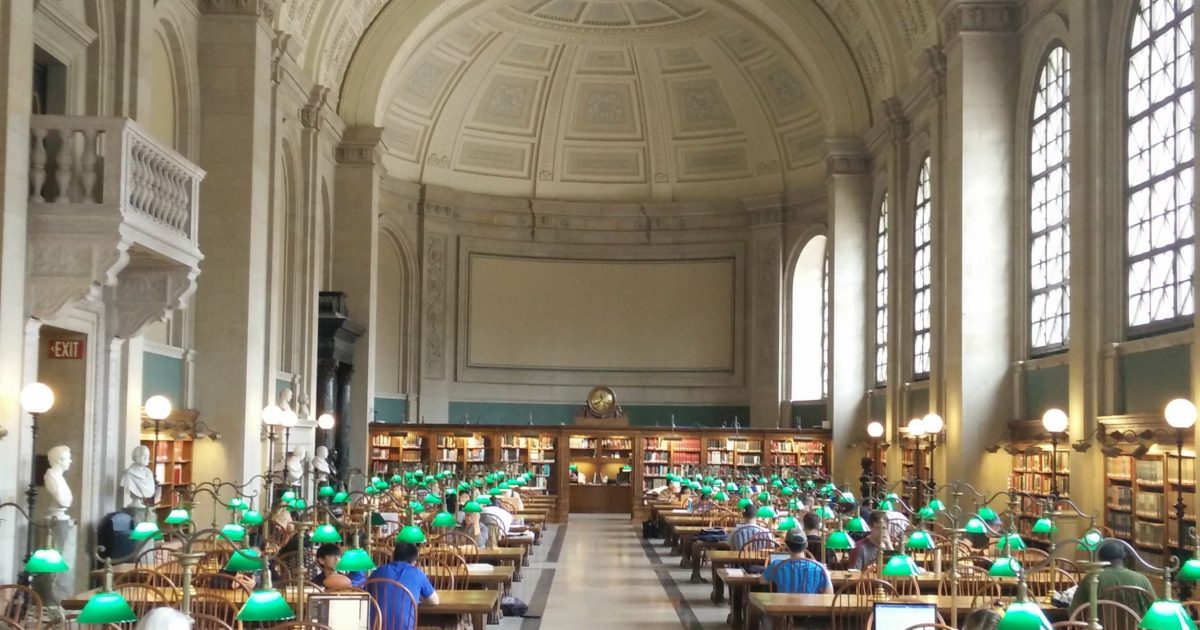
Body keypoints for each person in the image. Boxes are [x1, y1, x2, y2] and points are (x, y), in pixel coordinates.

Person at [1069, 540, 1154, 617]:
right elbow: (1153, 611)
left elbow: (1074, 613)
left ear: (1100, 557)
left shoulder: (1092, 578)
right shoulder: (1142, 580)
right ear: (1124, 557)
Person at [368, 542, 439, 630]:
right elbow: (435, 600)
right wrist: (415, 598)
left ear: (393, 557)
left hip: (377, 627)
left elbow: (365, 595)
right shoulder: (417, 573)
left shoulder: (378, 571)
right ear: (414, 562)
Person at [762, 529, 833, 594]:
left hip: (783, 607)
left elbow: (762, 581)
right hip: (809, 607)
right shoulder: (819, 568)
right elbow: (829, 593)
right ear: (806, 544)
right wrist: (826, 574)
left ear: (786, 545)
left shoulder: (776, 565)